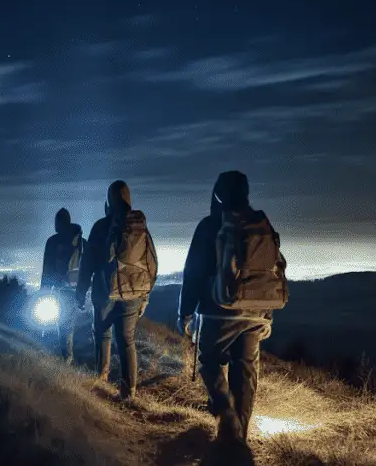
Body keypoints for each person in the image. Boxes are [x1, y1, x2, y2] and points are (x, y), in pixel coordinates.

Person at [177, 171, 287, 446]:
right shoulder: (261, 225)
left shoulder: (210, 225)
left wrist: (185, 311)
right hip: (255, 313)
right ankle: (240, 436)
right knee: (246, 369)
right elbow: (271, 271)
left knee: (209, 362)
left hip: (218, 310)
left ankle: (226, 413)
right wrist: (267, 312)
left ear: (218, 194)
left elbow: (193, 272)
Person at [76, 180, 158, 400]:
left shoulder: (101, 226)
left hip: (104, 293)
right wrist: (145, 296)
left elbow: (88, 263)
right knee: (127, 340)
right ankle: (128, 393)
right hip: (133, 294)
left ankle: (100, 382)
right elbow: (151, 263)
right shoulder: (140, 227)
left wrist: (80, 292)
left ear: (109, 201)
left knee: (103, 335)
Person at [40, 207, 86, 364]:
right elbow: (88, 267)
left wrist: (43, 292)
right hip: (78, 290)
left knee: (62, 325)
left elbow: (46, 269)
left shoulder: (53, 241)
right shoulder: (81, 242)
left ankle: (65, 360)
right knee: (69, 326)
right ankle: (70, 357)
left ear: (58, 223)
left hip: (60, 289)